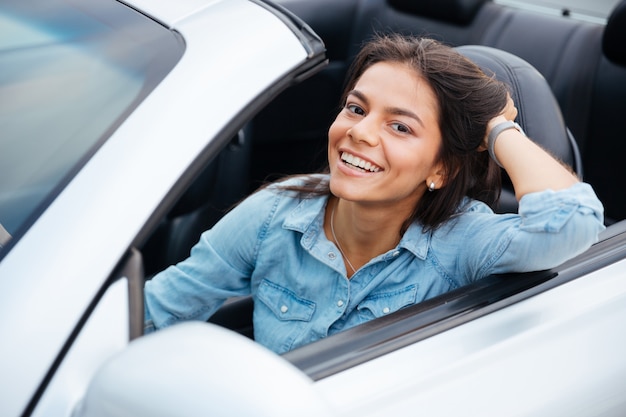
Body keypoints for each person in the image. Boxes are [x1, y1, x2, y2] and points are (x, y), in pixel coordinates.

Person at [144, 34, 604, 354]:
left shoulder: (462, 242)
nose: (359, 132)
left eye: (400, 126)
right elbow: (157, 311)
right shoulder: (275, 213)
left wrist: (500, 128)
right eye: (356, 108)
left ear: (440, 170)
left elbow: (572, 221)